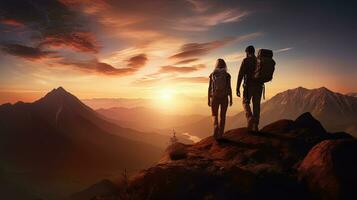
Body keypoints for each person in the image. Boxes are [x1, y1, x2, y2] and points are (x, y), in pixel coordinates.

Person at [236, 45, 263, 132]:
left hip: (249, 86)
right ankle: (255, 126)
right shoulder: (259, 60)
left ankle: (250, 117)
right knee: (256, 106)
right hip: (259, 86)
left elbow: (240, 75)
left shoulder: (246, 60)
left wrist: (237, 87)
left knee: (245, 102)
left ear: (247, 52)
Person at [208, 58, 233, 140]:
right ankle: (221, 135)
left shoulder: (212, 74)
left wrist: (208, 99)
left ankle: (216, 126)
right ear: (224, 65)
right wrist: (231, 98)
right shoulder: (227, 75)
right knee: (223, 116)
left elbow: (209, 88)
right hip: (224, 97)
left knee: (214, 115)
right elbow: (229, 87)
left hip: (214, 97)